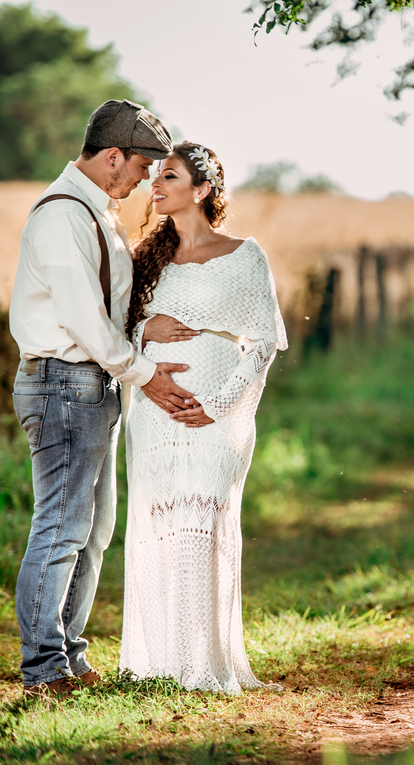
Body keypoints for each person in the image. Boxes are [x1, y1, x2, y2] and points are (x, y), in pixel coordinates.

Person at [10, 100, 197, 697]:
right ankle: (42, 669)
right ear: (112, 156)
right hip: (64, 384)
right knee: (62, 527)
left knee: (94, 531)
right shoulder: (63, 216)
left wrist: (140, 344)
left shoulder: (99, 211)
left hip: (93, 384)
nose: (145, 179)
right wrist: (146, 373)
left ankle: (68, 651)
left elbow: (109, 320)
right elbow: (86, 326)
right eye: (141, 166)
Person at [118, 142, 288, 695]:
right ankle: (165, 665)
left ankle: (204, 666)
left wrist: (216, 405)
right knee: (164, 526)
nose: (156, 186)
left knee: (204, 523)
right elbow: (109, 331)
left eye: (168, 177)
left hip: (216, 415)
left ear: (204, 189)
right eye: (156, 177)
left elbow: (262, 344)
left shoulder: (244, 255)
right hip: (154, 410)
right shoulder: (146, 259)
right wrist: (146, 333)